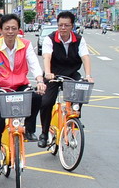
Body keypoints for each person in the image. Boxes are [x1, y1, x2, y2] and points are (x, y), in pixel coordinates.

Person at [0, 13, 45, 177]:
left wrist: (39, 80)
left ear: (19, 30)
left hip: (20, 86)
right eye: (7, 28)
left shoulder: (25, 44)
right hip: (1, 89)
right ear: (0, 30)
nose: (10, 32)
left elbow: (34, 64)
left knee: (38, 96)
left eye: (14, 28)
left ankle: (30, 130)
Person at [39, 10, 94, 147]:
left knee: (81, 90)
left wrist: (88, 75)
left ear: (72, 26)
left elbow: (85, 56)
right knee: (46, 102)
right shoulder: (50, 39)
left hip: (71, 73)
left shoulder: (79, 39)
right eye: (60, 25)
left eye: (66, 25)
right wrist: (48, 72)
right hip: (53, 73)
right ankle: (44, 133)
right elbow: (47, 56)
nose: (63, 28)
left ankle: (73, 118)